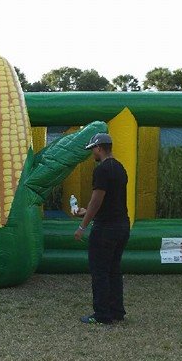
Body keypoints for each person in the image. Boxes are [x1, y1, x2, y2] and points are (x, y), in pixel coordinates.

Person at [74, 132, 130, 325]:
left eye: (92, 150)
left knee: (99, 271)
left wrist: (83, 225)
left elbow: (97, 200)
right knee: (114, 270)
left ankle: (102, 315)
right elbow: (110, 201)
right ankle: (117, 311)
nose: (92, 154)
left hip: (105, 229)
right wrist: (85, 211)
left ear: (99, 148)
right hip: (122, 226)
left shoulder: (102, 170)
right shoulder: (120, 168)